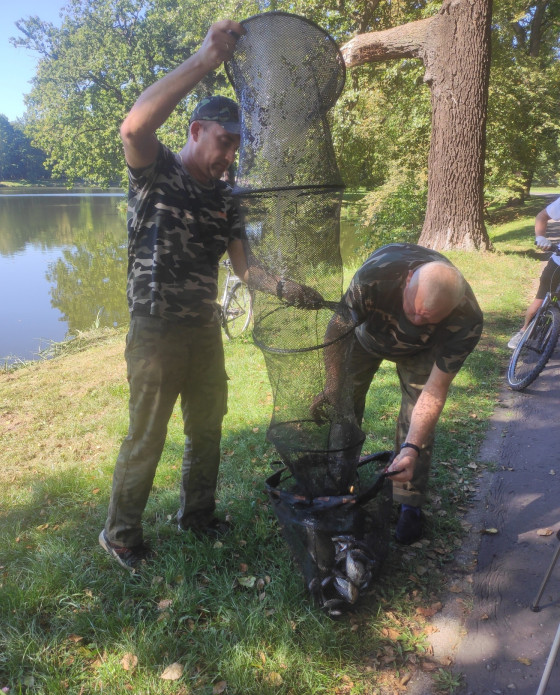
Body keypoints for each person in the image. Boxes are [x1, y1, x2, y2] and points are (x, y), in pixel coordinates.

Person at [100, 20, 323, 572]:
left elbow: (245, 268)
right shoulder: (158, 172)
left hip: (202, 328)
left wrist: (286, 288)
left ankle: (196, 515)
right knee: (147, 437)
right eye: (224, 143)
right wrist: (204, 59)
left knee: (208, 428)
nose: (230, 157)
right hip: (154, 331)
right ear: (197, 130)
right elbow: (132, 128)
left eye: (236, 148)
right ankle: (121, 535)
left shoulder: (228, 199)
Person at [311, 243, 483, 545]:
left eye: (427, 318)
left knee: (416, 424)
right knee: (345, 404)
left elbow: (434, 390)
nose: (416, 321)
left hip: (422, 352)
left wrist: (411, 447)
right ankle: (340, 476)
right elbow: (336, 330)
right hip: (366, 338)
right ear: (407, 281)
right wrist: (332, 383)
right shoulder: (374, 278)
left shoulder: (467, 319)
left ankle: (409, 503)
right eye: (413, 309)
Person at [508, 196, 560, 349]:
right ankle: (523, 332)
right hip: (559, 263)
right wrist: (540, 237)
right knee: (541, 300)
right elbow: (542, 216)